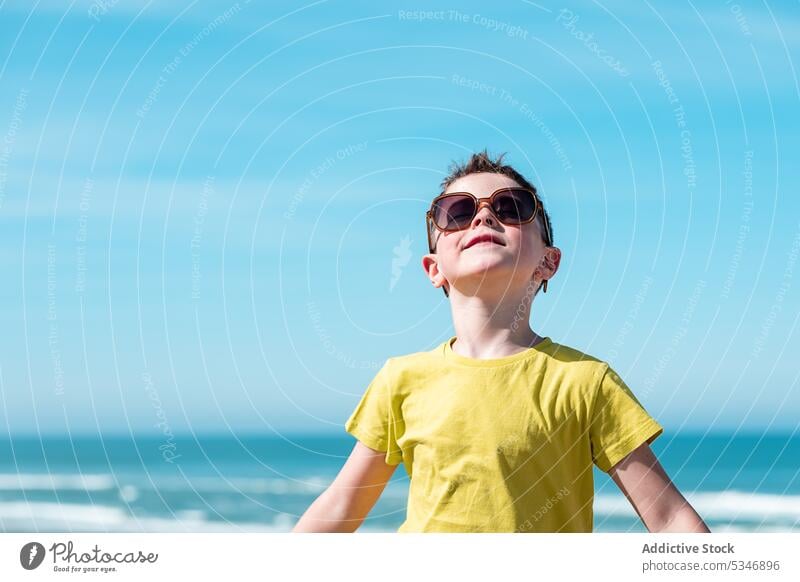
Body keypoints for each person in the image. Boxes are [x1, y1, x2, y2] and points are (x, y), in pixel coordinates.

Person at [293, 149, 710, 533]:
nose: (483, 217)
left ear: (548, 261)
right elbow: (339, 511)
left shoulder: (586, 382)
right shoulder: (400, 380)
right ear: (433, 268)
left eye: (511, 208)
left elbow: (669, 517)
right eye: (456, 212)